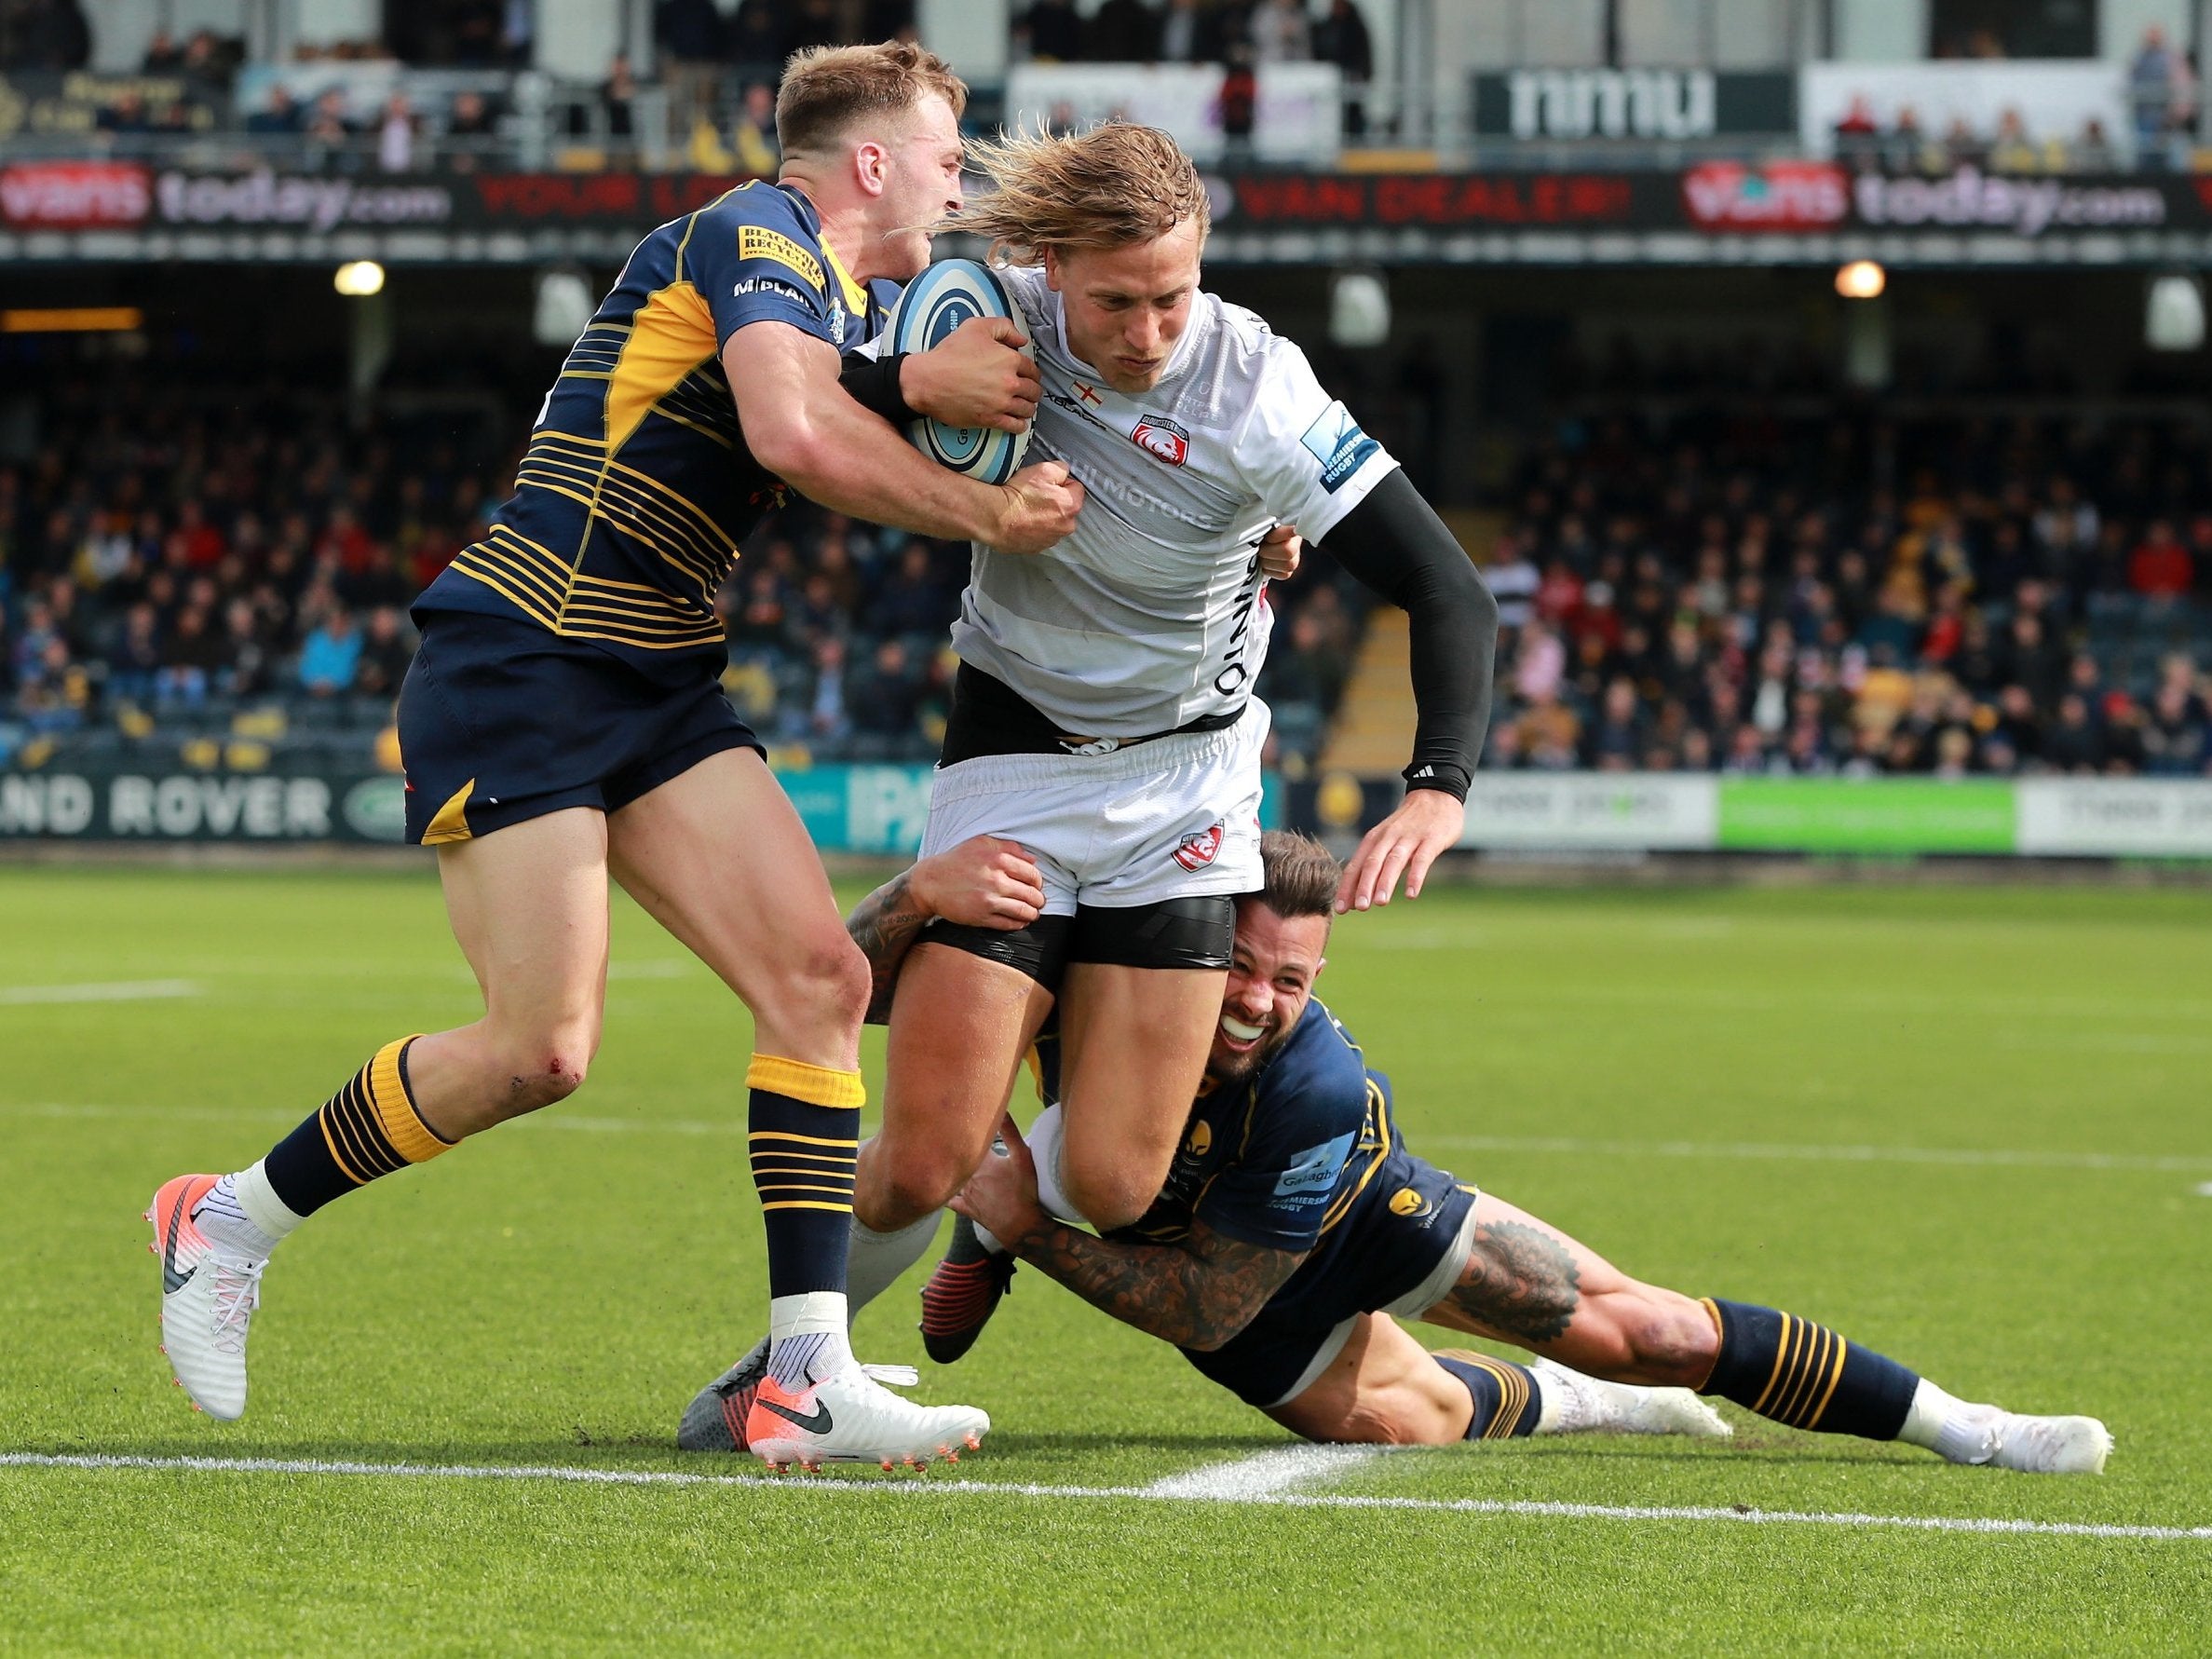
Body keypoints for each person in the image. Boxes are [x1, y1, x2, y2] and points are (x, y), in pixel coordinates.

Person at [144, 41, 1081, 1475]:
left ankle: (807, 1375)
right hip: (524, 652)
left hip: (652, 671)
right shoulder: (751, 227)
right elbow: (789, 422)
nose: (959, 192)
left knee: (822, 977)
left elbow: (838, 396)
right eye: (950, 161)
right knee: (541, 1049)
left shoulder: (848, 301)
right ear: (872, 161)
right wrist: (977, 505)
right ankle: (224, 1221)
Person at [682, 122, 1498, 1426]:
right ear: (1045, 264)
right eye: (1116, 300)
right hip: (1015, 756)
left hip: (1188, 786)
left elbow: (1446, 587)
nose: (1150, 329)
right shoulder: (975, 319)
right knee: (922, 1158)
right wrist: (915, 388)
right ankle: (786, 1374)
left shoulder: (1259, 390)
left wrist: (1440, 782)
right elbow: (801, 410)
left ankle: (992, 1209)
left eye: (1173, 294)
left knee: (1116, 1180)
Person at [681, 834, 2111, 1473]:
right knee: (1417, 1424)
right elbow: (841, 982)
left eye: (1288, 981)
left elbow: (1212, 1303)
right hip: (1166, 1236)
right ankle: (785, 1368)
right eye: (1237, 967)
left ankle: (1968, 1426)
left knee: (1648, 1327)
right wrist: (916, 896)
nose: (1254, 1002)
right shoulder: (1118, 979)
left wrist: (1027, 1231)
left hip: (1331, 1223)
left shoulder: (1308, 1087)